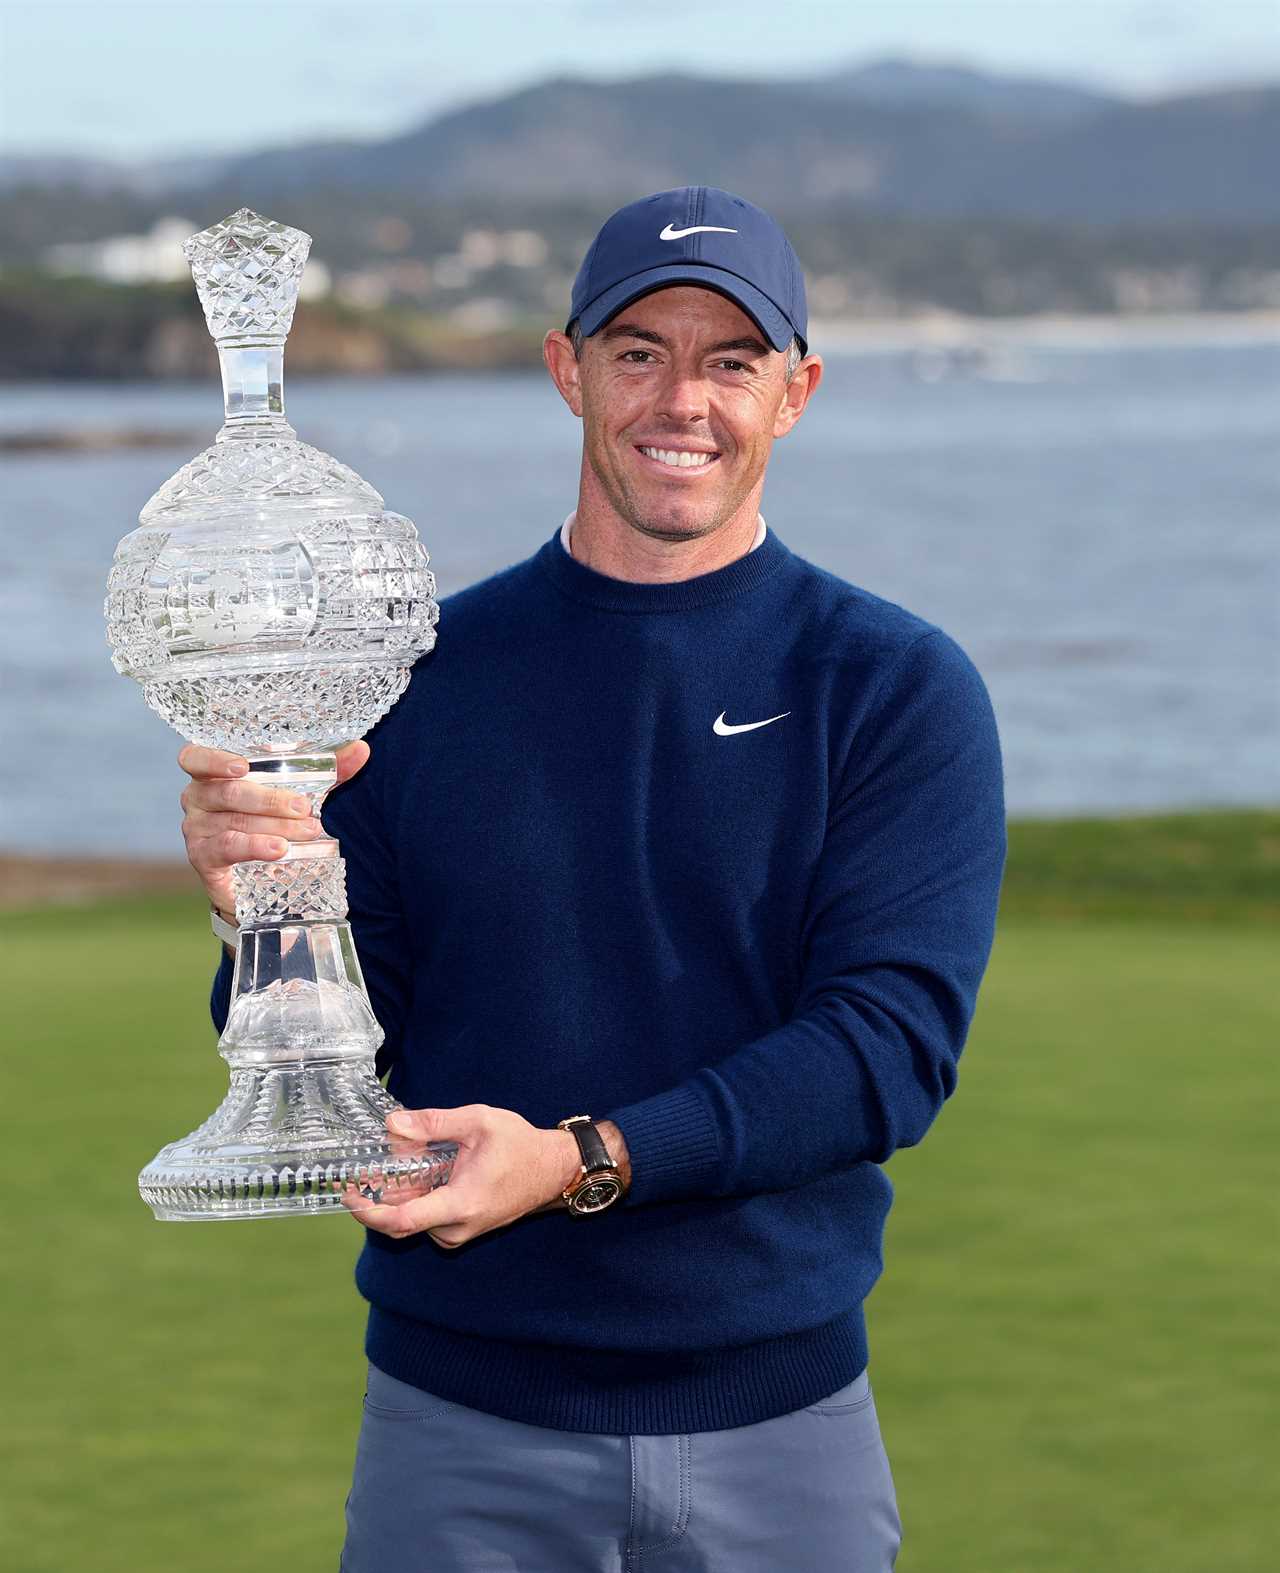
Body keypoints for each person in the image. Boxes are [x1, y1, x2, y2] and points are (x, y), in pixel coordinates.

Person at [178, 185, 1006, 1572]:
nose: (681, 399)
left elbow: (888, 1053)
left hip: (780, 1429)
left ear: (794, 393)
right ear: (569, 371)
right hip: (460, 1428)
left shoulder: (892, 686)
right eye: (639, 352)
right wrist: (261, 915)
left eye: (729, 360)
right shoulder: (411, 679)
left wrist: (580, 1161)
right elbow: (332, 1057)